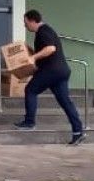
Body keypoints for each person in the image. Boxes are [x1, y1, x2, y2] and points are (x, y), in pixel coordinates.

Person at [14, 10, 85, 146]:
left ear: (33, 21)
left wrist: (33, 57)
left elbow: (50, 49)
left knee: (30, 90)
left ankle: (29, 122)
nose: (25, 26)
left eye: (26, 23)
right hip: (62, 71)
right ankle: (78, 131)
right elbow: (47, 50)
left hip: (51, 71)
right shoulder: (47, 30)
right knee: (65, 102)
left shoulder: (43, 31)